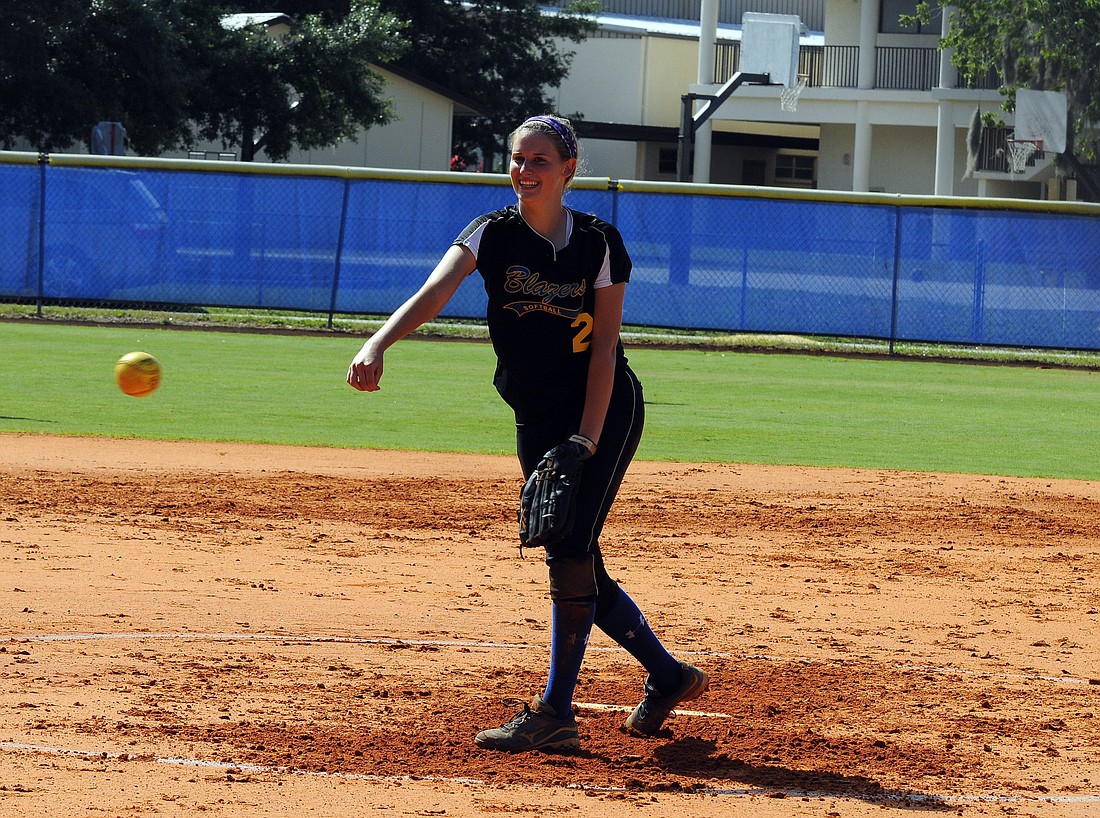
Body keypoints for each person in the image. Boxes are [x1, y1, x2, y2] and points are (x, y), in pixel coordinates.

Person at [347, 114, 707, 752]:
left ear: (568, 170)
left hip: (603, 410)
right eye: (517, 159)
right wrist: (380, 342)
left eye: (540, 160)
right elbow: (434, 292)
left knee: (569, 552)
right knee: (571, 548)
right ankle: (667, 673)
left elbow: (605, 354)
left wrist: (587, 439)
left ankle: (556, 712)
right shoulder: (491, 234)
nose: (525, 171)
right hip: (535, 416)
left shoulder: (599, 243)